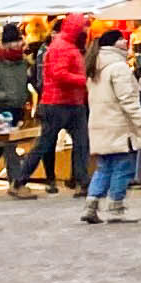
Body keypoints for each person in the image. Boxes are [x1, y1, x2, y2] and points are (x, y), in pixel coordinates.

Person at [83, 25, 141, 223]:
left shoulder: (95, 66)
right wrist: (140, 120)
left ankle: (91, 204)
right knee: (123, 166)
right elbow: (127, 99)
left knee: (104, 167)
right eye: (121, 39)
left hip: (100, 123)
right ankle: (116, 207)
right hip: (119, 125)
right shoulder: (118, 68)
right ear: (113, 44)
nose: (125, 41)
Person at [30, 14, 90, 195]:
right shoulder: (63, 47)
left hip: (70, 102)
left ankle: (81, 181)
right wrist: (83, 80)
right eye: (83, 27)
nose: (86, 31)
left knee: (80, 143)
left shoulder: (68, 46)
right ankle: (20, 179)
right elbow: (59, 74)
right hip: (59, 102)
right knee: (46, 143)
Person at [0, 26, 38, 189]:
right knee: (9, 146)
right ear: (5, 44)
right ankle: (16, 183)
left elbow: (29, 82)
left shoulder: (24, 62)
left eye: (18, 40)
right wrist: (3, 96)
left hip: (17, 109)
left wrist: (26, 97)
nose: (17, 45)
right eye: (13, 41)